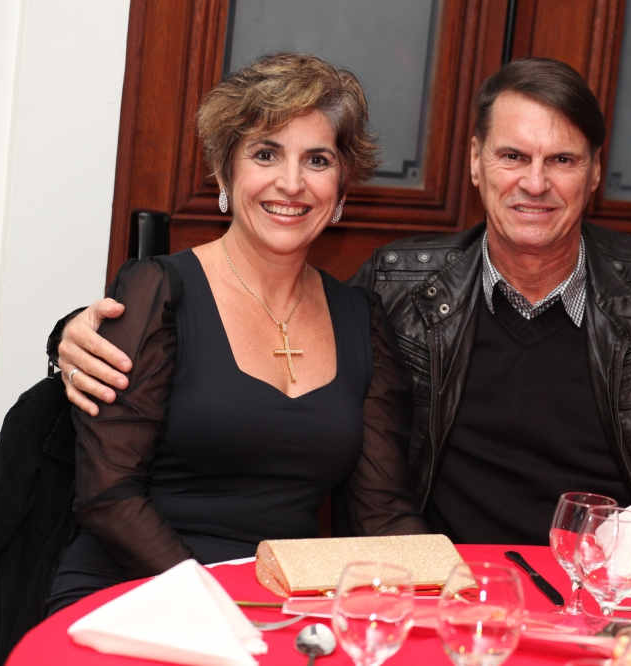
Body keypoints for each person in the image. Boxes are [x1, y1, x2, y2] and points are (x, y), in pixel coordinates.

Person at [54, 57, 631, 557]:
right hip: (449, 600)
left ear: (595, 174)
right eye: (513, 156)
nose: (535, 183)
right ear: (475, 163)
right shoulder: (398, 289)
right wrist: (71, 334)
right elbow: (230, 332)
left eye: (562, 160)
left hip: (613, 612)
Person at [44, 52, 427, 614]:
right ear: (225, 174)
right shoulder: (158, 291)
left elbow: (383, 513)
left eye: (317, 160)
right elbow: (108, 497)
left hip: (282, 606)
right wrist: (220, 608)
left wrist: (453, 594)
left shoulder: (362, 319)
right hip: (137, 589)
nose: (291, 183)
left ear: (342, 189)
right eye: (266, 154)